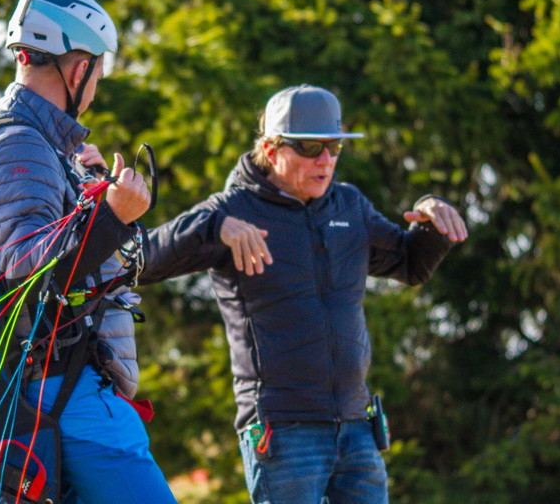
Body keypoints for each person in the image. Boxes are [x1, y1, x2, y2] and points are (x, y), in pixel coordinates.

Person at [139, 84, 468, 504]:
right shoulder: (229, 211)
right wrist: (212, 228)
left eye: (334, 147)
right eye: (312, 148)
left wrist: (430, 216)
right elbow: (143, 260)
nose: (326, 160)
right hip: (283, 432)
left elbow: (409, 265)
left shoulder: (349, 206)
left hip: (356, 425)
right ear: (272, 149)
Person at [0, 0, 177, 504]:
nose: (96, 86)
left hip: (67, 387)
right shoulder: (20, 144)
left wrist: (92, 191)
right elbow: (29, 271)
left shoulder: (41, 149)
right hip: (65, 391)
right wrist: (113, 216)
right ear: (79, 70)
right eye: (97, 73)